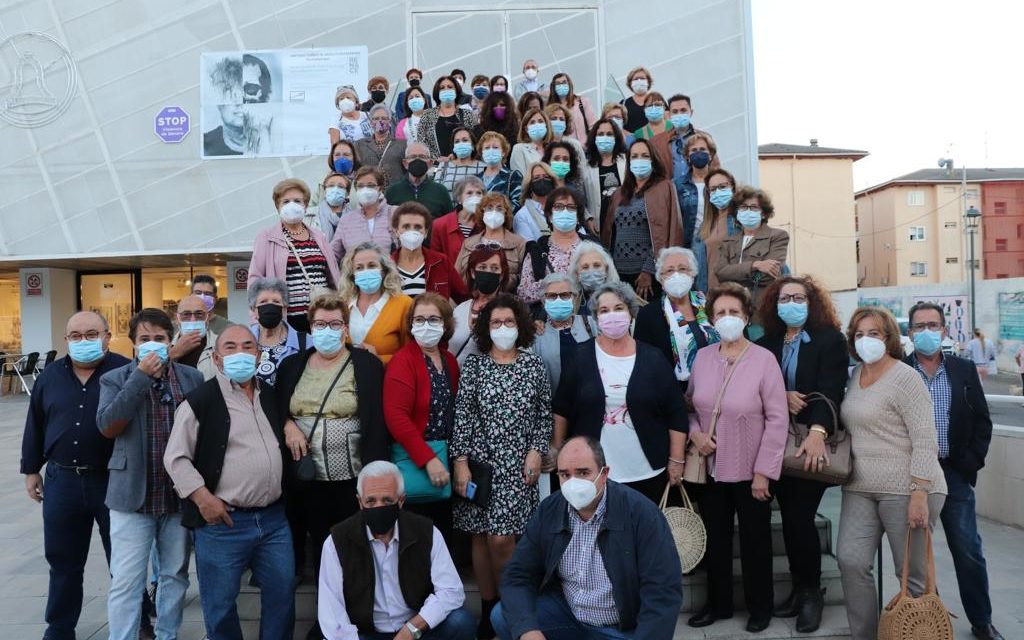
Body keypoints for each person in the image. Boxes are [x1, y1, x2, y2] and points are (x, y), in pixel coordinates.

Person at [164, 325, 295, 640]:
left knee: (282, 597)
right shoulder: (200, 401)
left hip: (273, 520)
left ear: (258, 354)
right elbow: (176, 457)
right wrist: (201, 497)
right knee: (220, 606)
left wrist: (290, 424)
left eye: (248, 346)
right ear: (217, 358)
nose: (240, 353)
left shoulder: (269, 394)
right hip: (224, 523)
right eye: (231, 347)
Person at [276, 293, 389, 640]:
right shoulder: (293, 365)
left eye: (335, 324)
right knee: (322, 550)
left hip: (353, 477)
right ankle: (327, 622)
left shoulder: (366, 364)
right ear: (311, 327)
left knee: (356, 547)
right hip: (307, 478)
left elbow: (376, 418)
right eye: (320, 324)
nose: (327, 330)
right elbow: (277, 405)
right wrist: (288, 424)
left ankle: (361, 618)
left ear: (345, 327)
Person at [493, 436, 682, 640]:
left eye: (583, 473)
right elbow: (518, 575)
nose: (573, 483)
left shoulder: (642, 514)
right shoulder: (550, 510)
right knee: (502, 617)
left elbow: (662, 592)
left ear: (604, 474)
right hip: (568, 616)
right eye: (565, 474)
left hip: (620, 629)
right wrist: (528, 631)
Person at [837, 306, 947, 640]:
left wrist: (919, 492)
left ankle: (921, 633)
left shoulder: (906, 378)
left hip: (909, 487)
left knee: (912, 575)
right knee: (851, 561)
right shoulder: (855, 375)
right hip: (860, 486)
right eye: (859, 334)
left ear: (889, 338)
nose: (865, 340)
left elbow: (926, 439)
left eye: (874, 333)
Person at [21, 311, 130, 640]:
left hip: (112, 480)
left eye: (91, 333)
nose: (83, 341)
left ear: (107, 336)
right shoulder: (50, 375)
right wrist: (31, 470)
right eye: (76, 336)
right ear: (66, 340)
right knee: (63, 560)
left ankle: (137, 621)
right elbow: (35, 422)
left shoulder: (125, 370)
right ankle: (59, 627)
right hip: (62, 481)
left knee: (124, 560)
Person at [686, 282, 788, 633]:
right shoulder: (701, 358)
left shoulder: (764, 360)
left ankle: (760, 607)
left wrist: (764, 472)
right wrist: (695, 434)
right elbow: (690, 407)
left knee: (756, 542)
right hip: (711, 468)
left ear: (746, 317)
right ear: (711, 319)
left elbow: (778, 418)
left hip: (750, 470)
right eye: (720, 313)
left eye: (734, 313)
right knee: (715, 540)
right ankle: (718, 604)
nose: (727, 318)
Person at [97, 308, 204, 640]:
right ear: (133, 345)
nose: (153, 345)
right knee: (127, 579)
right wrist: (140, 377)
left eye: (159, 338)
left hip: (176, 495)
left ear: (170, 341)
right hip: (132, 496)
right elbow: (108, 425)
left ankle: (167, 634)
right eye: (145, 339)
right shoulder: (114, 378)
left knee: (174, 575)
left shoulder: (191, 378)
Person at [450, 293, 553, 640]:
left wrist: (538, 451)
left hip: (519, 465)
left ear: (520, 325)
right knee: (482, 536)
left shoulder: (533, 365)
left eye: (509, 322)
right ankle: (488, 607)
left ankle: (511, 609)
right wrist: (461, 463)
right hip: (481, 464)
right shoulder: (475, 366)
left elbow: (543, 415)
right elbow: (462, 416)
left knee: (502, 539)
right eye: (496, 322)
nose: (503, 328)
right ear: (486, 327)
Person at [755, 276, 849, 633]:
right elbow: (757, 388)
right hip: (774, 444)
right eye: (784, 297)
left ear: (812, 302)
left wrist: (818, 432)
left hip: (810, 443)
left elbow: (831, 388)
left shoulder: (829, 340)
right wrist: (781, 393)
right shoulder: (766, 343)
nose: (790, 303)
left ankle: (811, 592)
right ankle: (798, 588)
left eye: (798, 297)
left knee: (799, 518)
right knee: (791, 521)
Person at [905, 303, 1002, 640]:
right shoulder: (900, 371)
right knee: (916, 554)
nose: (926, 332)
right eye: (919, 326)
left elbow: (982, 420)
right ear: (910, 333)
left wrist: (970, 461)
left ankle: (981, 621)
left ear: (945, 330)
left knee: (968, 550)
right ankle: (922, 622)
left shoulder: (962, 369)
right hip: (914, 478)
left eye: (933, 325)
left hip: (954, 474)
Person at [553, 281, 688, 502]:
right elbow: (562, 410)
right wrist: (560, 453)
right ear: (596, 317)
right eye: (604, 311)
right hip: (593, 473)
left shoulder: (653, 358)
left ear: (630, 313)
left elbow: (676, 412)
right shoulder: (581, 357)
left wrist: (677, 459)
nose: (611, 315)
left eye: (618, 308)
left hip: (648, 471)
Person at [317, 461, 475, 640]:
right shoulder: (337, 542)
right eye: (370, 501)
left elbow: (451, 591)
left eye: (387, 500)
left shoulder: (426, 531)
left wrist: (412, 629)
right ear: (360, 502)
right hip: (367, 634)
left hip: (415, 631)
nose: (378, 507)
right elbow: (332, 614)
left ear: (401, 501)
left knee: (461, 622)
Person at [383, 293, 460, 536]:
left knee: (444, 538)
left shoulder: (449, 360)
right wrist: (428, 459)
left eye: (434, 319)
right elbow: (396, 418)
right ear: (411, 324)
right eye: (420, 319)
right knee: (418, 537)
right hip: (418, 460)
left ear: (446, 324)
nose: (426, 325)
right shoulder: (402, 361)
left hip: (446, 458)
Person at [249, 178, 341, 333]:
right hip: (287, 318)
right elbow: (255, 279)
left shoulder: (319, 236)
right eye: (285, 201)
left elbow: (333, 277)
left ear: (305, 205)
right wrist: (256, 318)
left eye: (297, 201)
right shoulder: (266, 237)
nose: (292, 205)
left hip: (321, 316)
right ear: (278, 206)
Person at [602, 138, 683, 301]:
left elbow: (665, 232)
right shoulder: (619, 193)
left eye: (645, 156)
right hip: (618, 274)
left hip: (647, 275)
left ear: (653, 160)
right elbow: (611, 234)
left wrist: (649, 270)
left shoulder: (664, 187)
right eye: (635, 156)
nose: (639, 160)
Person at [633, 247, 717, 390]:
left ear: (693, 274)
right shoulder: (648, 315)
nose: (676, 274)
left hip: (717, 386)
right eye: (670, 270)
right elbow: (644, 362)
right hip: (673, 393)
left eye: (683, 269)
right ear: (660, 278)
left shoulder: (711, 306)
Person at [714, 186, 789, 319]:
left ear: (764, 213)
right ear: (737, 212)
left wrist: (733, 273)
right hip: (733, 310)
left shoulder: (777, 236)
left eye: (754, 207)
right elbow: (720, 272)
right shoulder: (729, 242)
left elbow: (769, 276)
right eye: (743, 207)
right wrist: (755, 265)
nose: (748, 211)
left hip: (761, 312)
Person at [338, 242, 414, 364]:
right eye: (359, 268)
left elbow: (412, 355)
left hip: (387, 378)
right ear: (352, 274)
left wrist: (378, 359)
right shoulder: (342, 305)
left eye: (372, 266)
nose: (365, 271)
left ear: (383, 271)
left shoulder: (404, 304)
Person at [517, 186, 588, 306]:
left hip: (586, 316)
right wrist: (553, 287)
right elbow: (523, 293)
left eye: (571, 208)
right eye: (558, 207)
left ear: (578, 216)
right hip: (547, 318)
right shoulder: (538, 250)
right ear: (549, 215)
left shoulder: (591, 247)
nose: (565, 211)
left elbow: (609, 284)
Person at [531, 273, 597, 393]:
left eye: (565, 295)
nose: (558, 300)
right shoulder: (537, 334)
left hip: (591, 404)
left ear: (574, 298)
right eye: (551, 296)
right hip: (554, 406)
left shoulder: (592, 324)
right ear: (543, 300)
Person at [390, 202, 468, 301]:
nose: (412, 231)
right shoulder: (388, 266)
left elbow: (463, 297)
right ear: (396, 231)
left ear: (426, 232)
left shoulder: (441, 262)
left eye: (418, 227)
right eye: (406, 227)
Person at [455, 193, 527, 291]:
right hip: (471, 298)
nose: (494, 212)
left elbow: (524, 279)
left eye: (499, 209)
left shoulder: (519, 243)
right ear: (482, 212)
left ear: (506, 214)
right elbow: (456, 275)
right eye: (489, 208)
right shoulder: (468, 243)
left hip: (505, 300)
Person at [450, 245, 507, 365]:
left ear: (501, 275)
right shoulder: (460, 309)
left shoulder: (509, 310)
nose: (488, 272)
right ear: (472, 273)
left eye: (494, 268)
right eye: (482, 267)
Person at [675, 133, 719, 290]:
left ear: (711, 154)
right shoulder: (678, 185)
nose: (698, 153)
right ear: (687, 156)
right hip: (689, 248)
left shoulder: (721, 182)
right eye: (694, 150)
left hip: (716, 246)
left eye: (703, 149)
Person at [248, 277, 307, 386]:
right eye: (263, 302)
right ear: (253, 309)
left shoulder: (306, 342)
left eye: (276, 301)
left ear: (284, 308)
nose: (270, 306)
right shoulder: (243, 341)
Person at [330, 166, 396, 260]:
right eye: (360, 186)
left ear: (380, 188)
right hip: (356, 273)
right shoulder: (346, 220)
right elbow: (333, 253)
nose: (365, 190)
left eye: (370, 185)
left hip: (389, 272)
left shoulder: (395, 213)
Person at [385, 142, 455, 219]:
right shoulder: (392, 192)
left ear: (430, 163)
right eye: (413, 157)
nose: (417, 160)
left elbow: (449, 222)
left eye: (422, 157)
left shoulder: (440, 191)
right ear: (405, 163)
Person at [417, 76, 479, 159]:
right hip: (436, 167)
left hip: (463, 165)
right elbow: (421, 142)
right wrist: (436, 159)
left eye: (450, 87)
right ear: (437, 92)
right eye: (442, 88)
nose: (446, 89)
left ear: (456, 91)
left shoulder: (467, 114)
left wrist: (456, 157)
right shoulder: (427, 115)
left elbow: (476, 140)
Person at [430, 176, 484, 268]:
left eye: (479, 193)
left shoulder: (486, 224)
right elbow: (435, 259)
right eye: (469, 193)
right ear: (459, 198)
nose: (475, 197)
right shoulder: (440, 224)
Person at [700, 168, 740, 291]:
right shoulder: (706, 225)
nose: (718, 192)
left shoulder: (741, 220)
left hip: (736, 291)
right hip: (711, 293)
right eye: (713, 189)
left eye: (722, 186)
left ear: (732, 187)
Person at [584, 117, 627, 229]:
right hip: (599, 223)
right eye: (601, 134)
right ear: (594, 138)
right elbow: (579, 197)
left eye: (609, 134)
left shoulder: (626, 161)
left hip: (624, 222)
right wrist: (587, 218)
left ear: (616, 138)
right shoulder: (586, 166)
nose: (605, 137)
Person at [651, 93, 703, 181]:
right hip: (672, 191)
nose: (679, 114)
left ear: (691, 112)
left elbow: (714, 167)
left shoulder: (704, 138)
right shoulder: (657, 142)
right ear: (669, 115)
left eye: (683, 110)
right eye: (675, 111)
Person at [354, 104, 407, 188]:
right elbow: (356, 172)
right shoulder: (359, 145)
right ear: (371, 122)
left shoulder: (402, 144)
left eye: (384, 118)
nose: (380, 121)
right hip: (370, 192)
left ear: (389, 122)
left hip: (395, 193)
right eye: (376, 118)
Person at [168, 294, 216, 379]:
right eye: (186, 314)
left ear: (208, 317)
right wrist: (173, 353)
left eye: (199, 314)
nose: (193, 320)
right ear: (177, 318)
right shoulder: (165, 345)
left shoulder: (220, 345)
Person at [541, 138, 591, 218]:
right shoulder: (542, 189)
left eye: (565, 159)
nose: (561, 162)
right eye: (556, 158)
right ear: (548, 161)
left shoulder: (576, 191)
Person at [567, 240, 621, 314]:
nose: (591, 271)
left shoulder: (624, 298)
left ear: (606, 270)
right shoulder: (571, 305)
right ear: (577, 274)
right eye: (585, 267)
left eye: (597, 265)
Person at [476, 130, 523, 210]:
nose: (491, 150)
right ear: (482, 152)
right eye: (487, 148)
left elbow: (518, 203)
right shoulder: (476, 179)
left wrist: (497, 213)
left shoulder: (513, 176)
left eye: (495, 147)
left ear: (503, 152)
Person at [513, 162, 560, 242]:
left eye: (546, 177)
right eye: (536, 178)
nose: (542, 180)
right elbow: (529, 246)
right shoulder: (522, 215)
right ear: (530, 184)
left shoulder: (563, 208)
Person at [434, 126, 487, 196]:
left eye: (465, 140)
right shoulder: (444, 166)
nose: (461, 144)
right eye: (457, 142)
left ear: (473, 145)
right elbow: (436, 192)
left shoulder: (483, 167)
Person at [546, 72, 595, 145]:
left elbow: (593, 126)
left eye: (564, 82)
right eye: (558, 84)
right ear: (554, 87)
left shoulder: (582, 102)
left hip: (585, 148)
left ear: (569, 84)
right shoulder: (550, 108)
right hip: (563, 148)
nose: (561, 85)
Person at [307, 172, 351, 242]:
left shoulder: (355, 216)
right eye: (331, 186)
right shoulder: (310, 215)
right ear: (325, 190)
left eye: (340, 186)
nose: (335, 189)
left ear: (347, 193)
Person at [509, 108, 552, 176]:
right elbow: (519, 178)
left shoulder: (553, 148)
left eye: (540, 121)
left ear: (546, 125)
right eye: (532, 122)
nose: (537, 124)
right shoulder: (519, 149)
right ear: (526, 129)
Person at [620, 66, 653, 132]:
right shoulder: (624, 104)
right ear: (630, 83)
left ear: (648, 82)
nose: (639, 81)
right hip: (632, 141)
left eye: (642, 78)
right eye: (636, 79)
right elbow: (618, 125)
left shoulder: (656, 100)